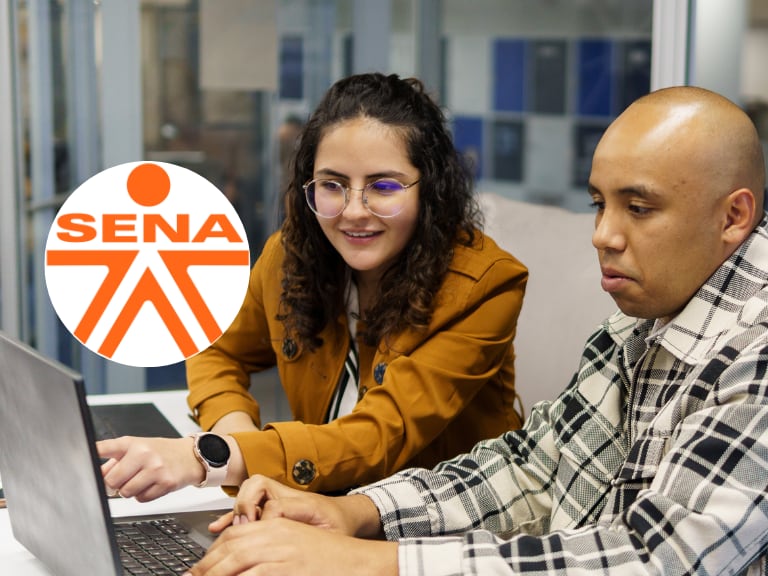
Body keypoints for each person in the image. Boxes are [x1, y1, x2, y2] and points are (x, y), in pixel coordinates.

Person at [181, 85, 768, 576]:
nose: (602, 236)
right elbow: (531, 467)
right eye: (598, 204)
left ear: (733, 216)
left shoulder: (755, 354)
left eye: (638, 208)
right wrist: (356, 514)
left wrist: (370, 559)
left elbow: (657, 560)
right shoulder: (635, 323)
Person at [97, 72, 528, 500]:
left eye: (383, 186)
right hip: (322, 503)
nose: (353, 211)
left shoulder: (486, 287)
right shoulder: (291, 255)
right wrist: (232, 434)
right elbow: (216, 348)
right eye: (332, 185)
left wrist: (210, 457)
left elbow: (377, 437)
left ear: (429, 190)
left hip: (443, 523)